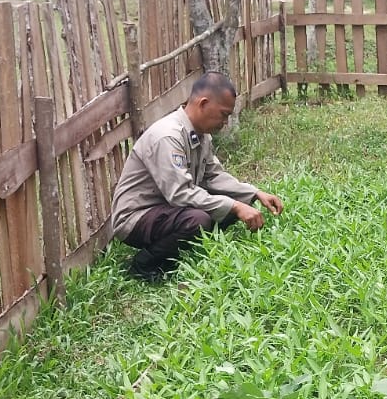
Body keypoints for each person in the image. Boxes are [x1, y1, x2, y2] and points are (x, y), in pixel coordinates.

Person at [110, 72, 284, 282]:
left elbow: (214, 177)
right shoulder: (168, 136)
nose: (225, 122)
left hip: (164, 209)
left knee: (228, 206)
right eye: (223, 114)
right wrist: (235, 206)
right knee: (199, 219)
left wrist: (254, 194)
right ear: (203, 103)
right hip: (136, 217)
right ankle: (145, 265)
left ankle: (181, 251)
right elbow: (180, 194)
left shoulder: (201, 135)